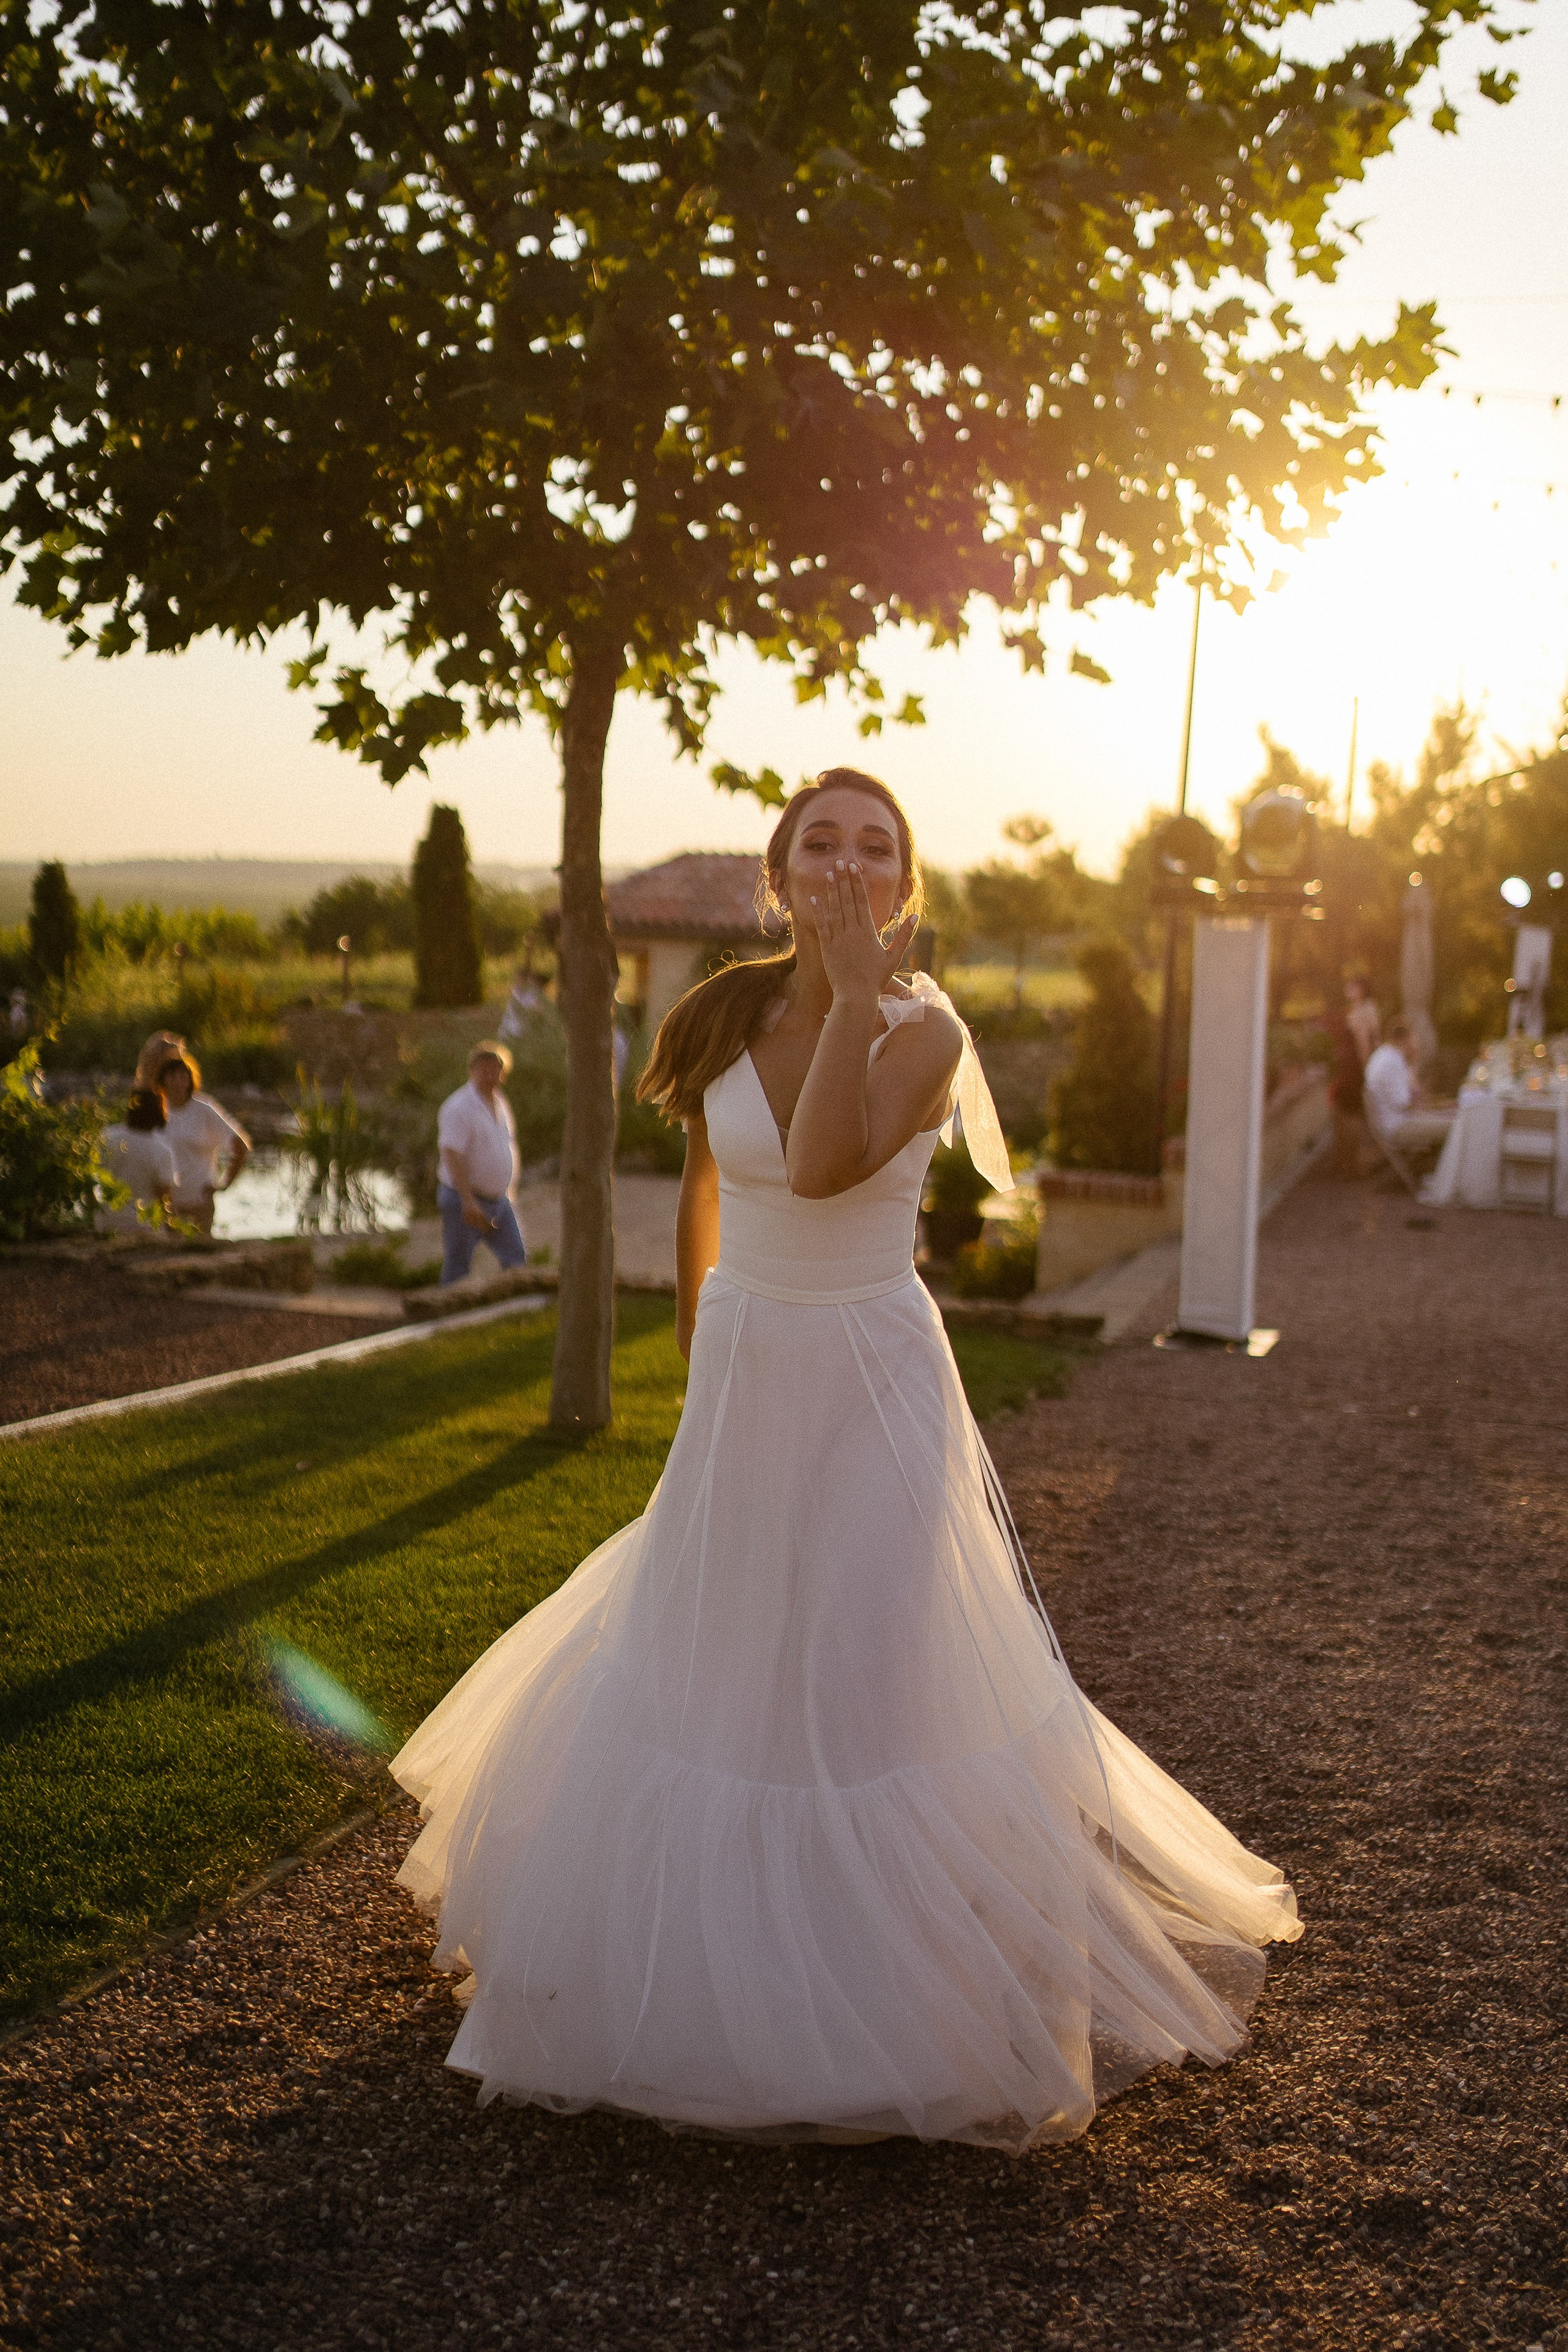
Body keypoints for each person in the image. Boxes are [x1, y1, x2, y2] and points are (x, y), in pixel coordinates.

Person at [391, 768, 1300, 2153]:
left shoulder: (926, 1026)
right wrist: (698, 1354)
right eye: (821, 840)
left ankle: (887, 2017)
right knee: (722, 1654)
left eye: (875, 845)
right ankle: (702, 1994)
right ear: (778, 869)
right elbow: (710, 1182)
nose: (846, 861)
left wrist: (861, 986)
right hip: (750, 1366)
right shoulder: (717, 1011)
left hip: (874, 1376)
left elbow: (816, 1168)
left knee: (867, 1668)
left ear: (905, 883)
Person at [435, 1041, 528, 1285]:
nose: (489, 1075)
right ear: (472, 1070)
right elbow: (452, 1153)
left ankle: (515, 1311)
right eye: (483, 1069)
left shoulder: (501, 1103)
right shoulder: (459, 1106)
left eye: (495, 1069)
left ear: (503, 1073)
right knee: (458, 1266)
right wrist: (468, 1201)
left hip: (499, 1200)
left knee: (516, 1258)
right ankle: (447, 1316)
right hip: (465, 1198)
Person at [157, 1053, 251, 1235]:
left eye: (182, 1076)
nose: (177, 1082)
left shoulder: (203, 1110)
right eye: (172, 1076)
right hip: (166, 1206)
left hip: (198, 1203)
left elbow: (241, 1147)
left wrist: (224, 1184)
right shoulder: (158, 1111)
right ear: (163, 1080)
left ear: (190, 1079)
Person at [1363, 1018, 1454, 1152]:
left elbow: (1413, 1101)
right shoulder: (1391, 1061)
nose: (1416, 1044)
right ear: (1405, 1039)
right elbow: (1409, 1104)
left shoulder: (1386, 1054)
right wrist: (1439, 1107)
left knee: (1452, 1115)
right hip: (1398, 1126)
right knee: (1457, 1125)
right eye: (1413, 1039)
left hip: (1396, 1120)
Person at [99, 1087, 178, 1232]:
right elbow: (164, 1196)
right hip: (145, 1226)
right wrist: (172, 1228)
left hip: (107, 1221)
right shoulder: (161, 1150)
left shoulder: (108, 1137)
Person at [1330, 975, 1381, 1175]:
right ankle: (1348, 1163)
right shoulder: (1369, 1008)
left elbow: (1363, 1043)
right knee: (1349, 1113)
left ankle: (1349, 1165)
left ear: (1361, 989)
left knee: (1349, 1115)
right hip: (1352, 1068)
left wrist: (1366, 1070)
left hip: (1354, 1070)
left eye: (1353, 986)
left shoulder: (1361, 1012)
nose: (1348, 989)